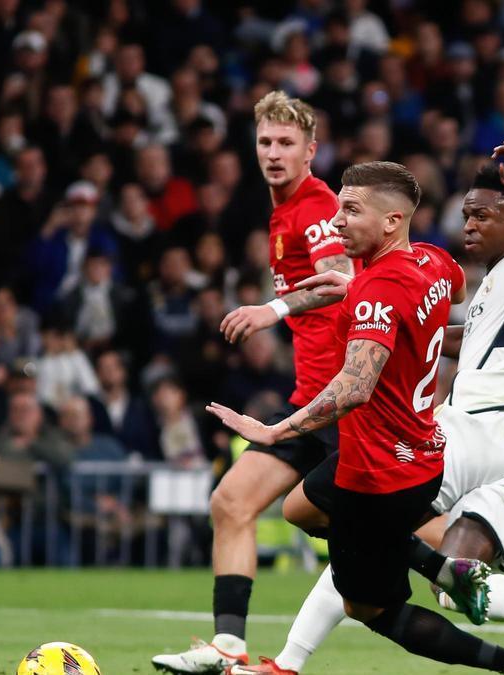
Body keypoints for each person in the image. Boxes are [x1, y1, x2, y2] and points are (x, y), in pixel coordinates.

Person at [230, 144, 504, 675]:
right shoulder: (445, 268)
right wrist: (365, 291)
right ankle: (483, 581)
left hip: (463, 432)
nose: (467, 224)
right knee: (355, 537)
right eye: (465, 214)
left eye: (481, 215)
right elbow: (442, 320)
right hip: (461, 435)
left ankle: (290, 662)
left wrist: (278, 431)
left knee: (360, 560)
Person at [152, 90, 355, 673]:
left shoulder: (315, 204)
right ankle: (228, 647)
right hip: (309, 398)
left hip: (343, 399)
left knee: (391, 528)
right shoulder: (282, 209)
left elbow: (339, 278)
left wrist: (273, 309)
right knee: (232, 501)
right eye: (265, 141)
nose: (273, 151)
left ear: (310, 150)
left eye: (286, 142)